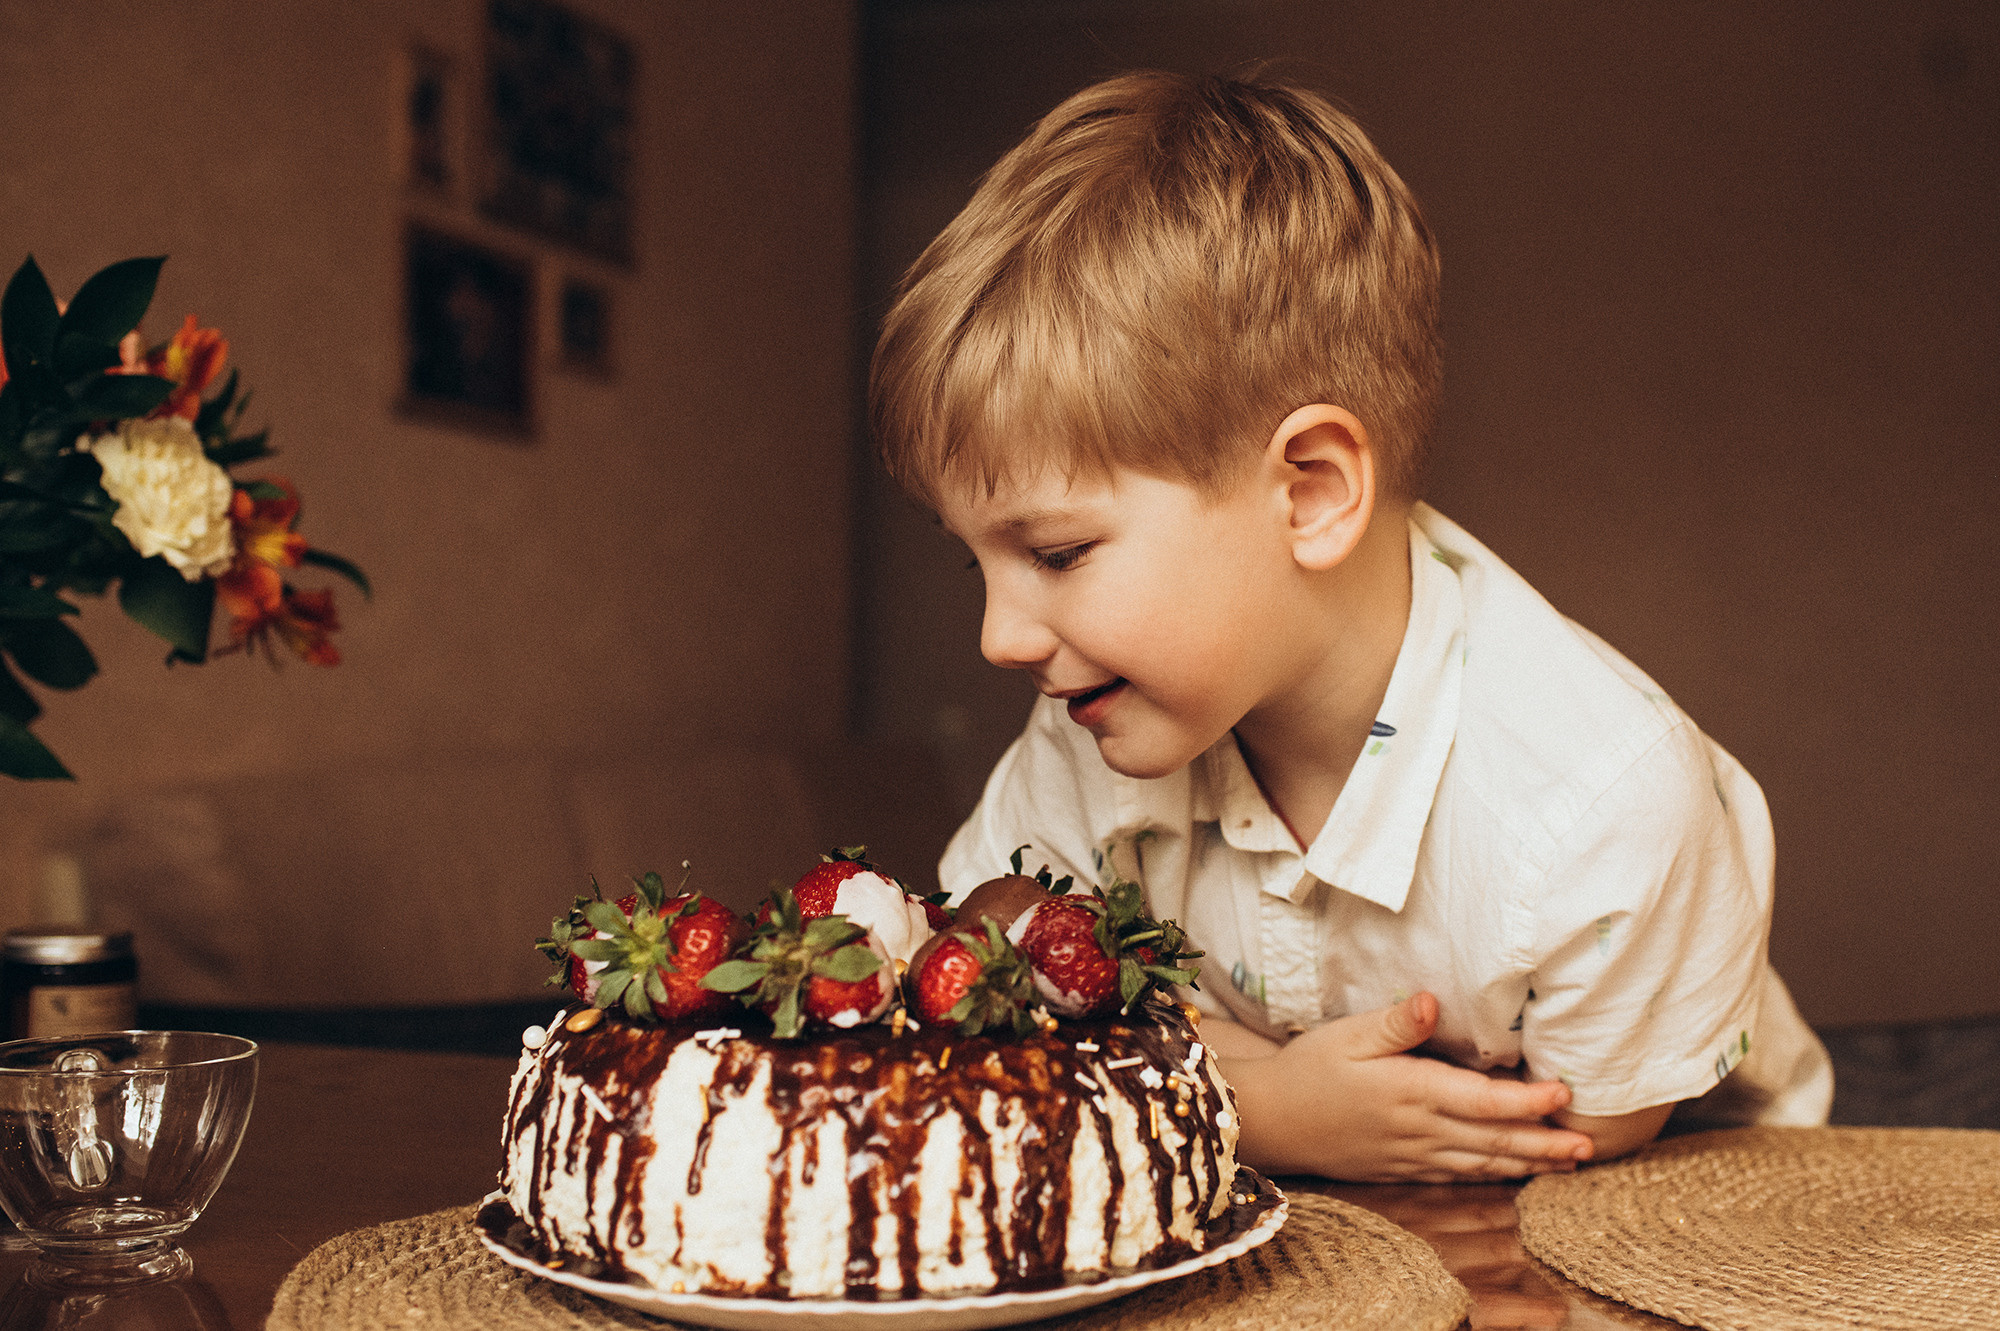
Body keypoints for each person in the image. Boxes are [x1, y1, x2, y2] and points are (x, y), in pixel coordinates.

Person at [868, 70, 1832, 1182]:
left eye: (1057, 554)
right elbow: (982, 978)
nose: (998, 636)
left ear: (1311, 493)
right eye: (973, 557)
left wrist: (1177, 1065)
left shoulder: (1598, 804)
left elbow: (1576, 1142)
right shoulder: (1091, 727)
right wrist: (1259, 1100)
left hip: (1659, 1176)